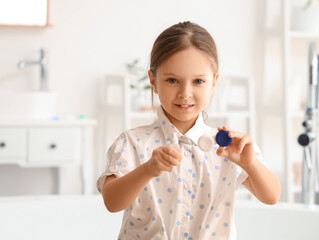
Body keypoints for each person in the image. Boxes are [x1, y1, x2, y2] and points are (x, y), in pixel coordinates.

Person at [97, 21, 281, 240]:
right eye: (172, 80)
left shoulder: (227, 146)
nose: (185, 93)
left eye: (198, 81)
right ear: (153, 81)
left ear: (214, 82)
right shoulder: (132, 142)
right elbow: (112, 202)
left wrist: (250, 164)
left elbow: (272, 196)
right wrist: (148, 169)